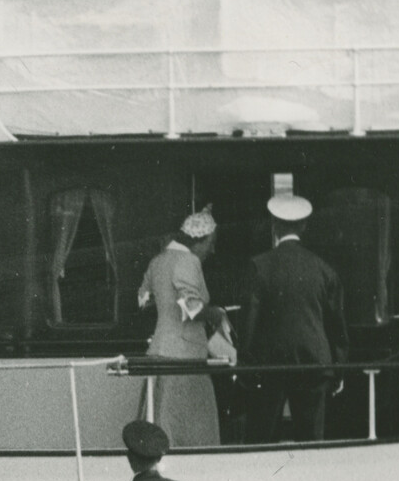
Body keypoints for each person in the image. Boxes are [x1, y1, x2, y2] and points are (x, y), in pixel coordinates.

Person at [243, 192, 349, 442]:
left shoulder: (259, 266)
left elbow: (249, 323)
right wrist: (339, 368)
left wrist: (246, 367)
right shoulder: (324, 269)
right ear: (303, 226)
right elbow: (337, 326)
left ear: (274, 225)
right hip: (315, 363)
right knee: (311, 441)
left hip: (271, 364)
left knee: (263, 440)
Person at [136, 207, 225, 448]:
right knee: (189, 430)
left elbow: (142, 300)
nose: (212, 249)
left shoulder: (158, 260)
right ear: (198, 240)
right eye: (210, 243)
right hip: (184, 355)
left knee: (160, 421)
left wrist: (164, 302)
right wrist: (216, 313)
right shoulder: (189, 260)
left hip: (160, 349)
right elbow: (191, 308)